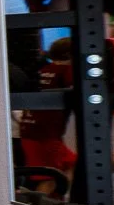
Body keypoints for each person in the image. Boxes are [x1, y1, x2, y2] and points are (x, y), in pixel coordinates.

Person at [19, 37, 76, 176]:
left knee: (71, 164)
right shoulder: (67, 71)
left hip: (29, 129)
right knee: (51, 177)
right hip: (47, 135)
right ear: (69, 55)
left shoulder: (43, 70)